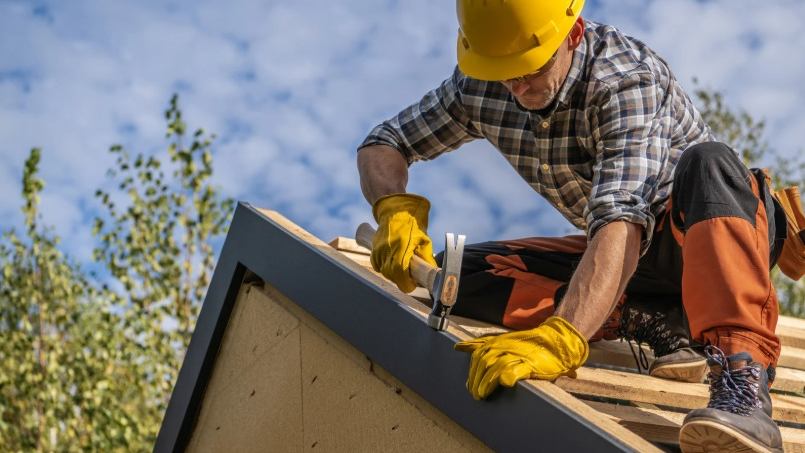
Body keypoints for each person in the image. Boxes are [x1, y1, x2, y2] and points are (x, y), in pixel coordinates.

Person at [356, 1, 784, 452]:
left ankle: (742, 386)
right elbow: (384, 143)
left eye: (529, 67)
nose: (516, 84)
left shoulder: (624, 78)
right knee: (458, 275)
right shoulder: (480, 85)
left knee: (711, 163)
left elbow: (622, 217)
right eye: (503, 70)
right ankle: (660, 319)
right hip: (627, 256)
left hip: (706, 235)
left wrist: (565, 336)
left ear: (573, 34)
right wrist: (393, 208)